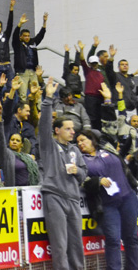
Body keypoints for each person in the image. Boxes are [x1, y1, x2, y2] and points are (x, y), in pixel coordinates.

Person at [39, 78, 87, 270]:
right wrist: (48, 98)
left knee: (77, 244)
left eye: (73, 129)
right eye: (68, 128)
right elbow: (43, 126)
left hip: (74, 199)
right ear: (57, 130)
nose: (72, 131)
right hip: (55, 197)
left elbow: (84, 173)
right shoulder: (48, 146)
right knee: (59, 245)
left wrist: (78, 171)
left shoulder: (75, 150)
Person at [77, 130, 138, 270]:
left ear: (92, 139)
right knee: (113, 240)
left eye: (83, 140)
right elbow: (81, 180)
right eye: (78, 141)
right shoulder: (81, 159)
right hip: (106, 204)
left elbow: (123, 165)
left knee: (132, 238)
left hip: (127, 197)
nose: (80, 143)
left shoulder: (107, 148)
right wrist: (96, 181)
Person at [0, 102, 39, 186]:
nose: (14, 142)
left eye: (17, 140)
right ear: (9, 142)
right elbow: (0, 140)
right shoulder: (5, 155)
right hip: (14, 192)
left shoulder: (26, 157)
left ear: (22, 144)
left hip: (30, 191)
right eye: (12, 140)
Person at [12, 12, 47, 100]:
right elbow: (14, 36)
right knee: (23, 95)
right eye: (25, 36)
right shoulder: (17, 44)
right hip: (22, 72)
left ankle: (37, 112)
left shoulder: (33, 42)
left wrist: (44, 23)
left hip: (33, 72)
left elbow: (40, 36)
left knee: (37, 94)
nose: (27, 37)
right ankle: (23, 112)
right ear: (21, 37)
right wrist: (20, 24)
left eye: (28, 36)